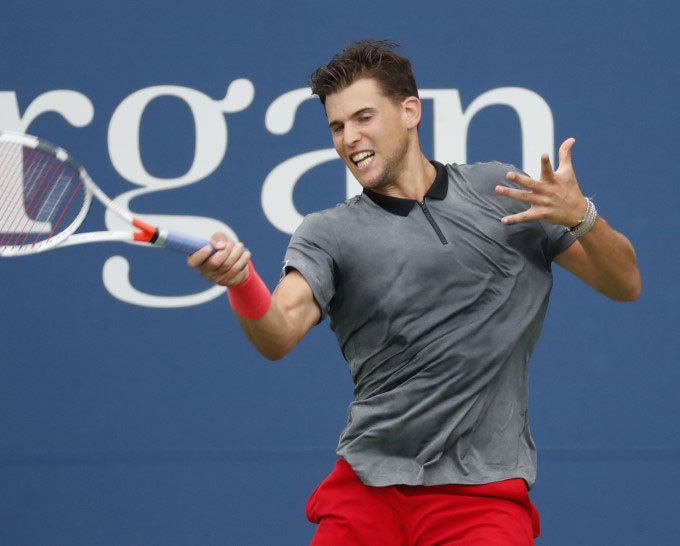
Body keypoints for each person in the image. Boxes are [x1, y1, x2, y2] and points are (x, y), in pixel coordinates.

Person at [187, 40, 641, 545]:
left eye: (363, 117)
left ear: (409, 112)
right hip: (366, 492)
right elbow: (277, 335)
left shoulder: (499, 193)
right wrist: (240, 283)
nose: (350, 138)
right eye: (337, 126)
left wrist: (583, 219)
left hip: (482, 498)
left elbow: (624, 284)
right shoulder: (327, 233)